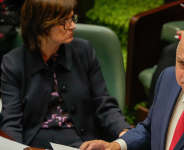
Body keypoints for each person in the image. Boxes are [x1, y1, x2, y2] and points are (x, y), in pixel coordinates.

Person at [0, 0, 130, 148]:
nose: (73, 26)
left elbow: (103, 103)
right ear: (41, 25)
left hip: (83, 141)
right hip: (36, 144)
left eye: (72, 18)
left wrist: (124, 132)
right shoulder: (13, 63)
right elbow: (11, 121)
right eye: (64, 21)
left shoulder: (83, 51)